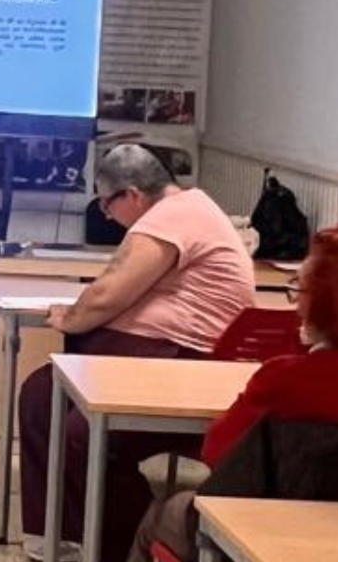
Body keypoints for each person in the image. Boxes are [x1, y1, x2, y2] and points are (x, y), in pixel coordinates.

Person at [129, 219, 338, 562]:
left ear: (323, 303)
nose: (296, 302)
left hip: (269, 534)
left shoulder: (284, 377)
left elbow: (218, 455)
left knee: (163, 512)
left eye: (300, 290)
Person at [19, 144, 255, 562]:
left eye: (106, 203)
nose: (106, 215)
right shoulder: (179, 212)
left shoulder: (173, 216)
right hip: (151, 357)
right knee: (40, 397)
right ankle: (58, 535)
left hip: (182, 364)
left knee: (84, 434)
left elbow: (108, 294)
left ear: (133, 195)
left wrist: (68, 318)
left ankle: (106, 546)